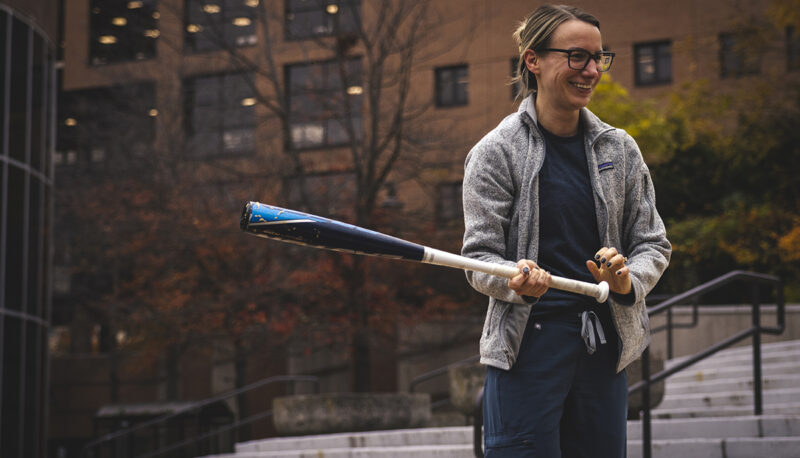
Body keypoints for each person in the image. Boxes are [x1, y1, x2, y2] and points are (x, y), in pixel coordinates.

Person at [461, 4, 671, 457]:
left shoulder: (620, 148)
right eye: (577, 56)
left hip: (604, 346)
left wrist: (627, 280)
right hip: (526, 348)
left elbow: (653, 242)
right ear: (533, 60)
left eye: (599, 58)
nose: (592, 70)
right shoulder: (495, 152)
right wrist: (515, 278)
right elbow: (479, 258)